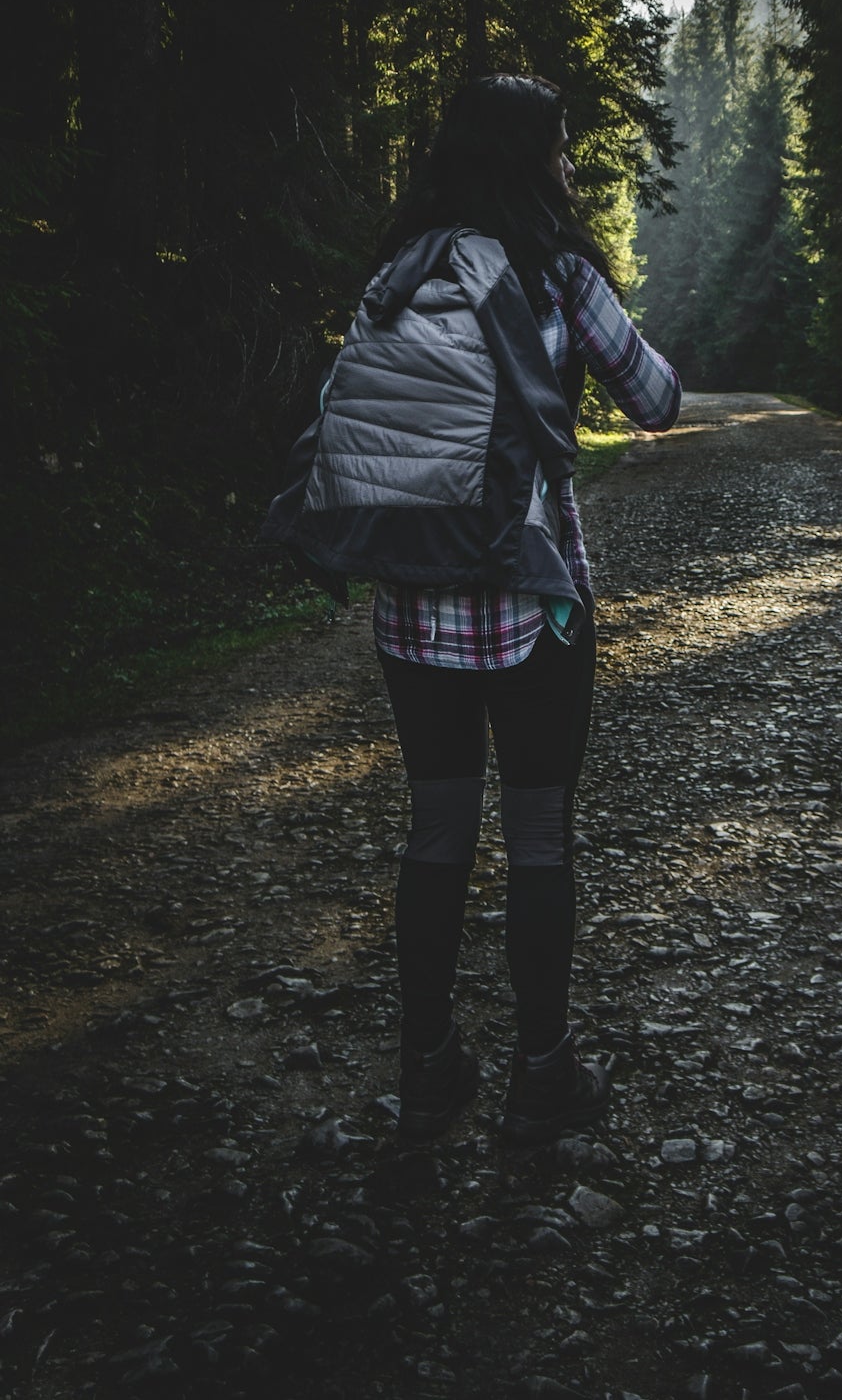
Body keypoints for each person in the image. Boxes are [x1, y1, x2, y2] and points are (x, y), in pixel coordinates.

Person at [268, 73, 680, 1142]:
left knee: (438, 832)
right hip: (532, 598)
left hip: (411, 613)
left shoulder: (397, 270)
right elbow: (658, 403)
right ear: (531, 157)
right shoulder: (553, 270)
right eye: (561, 148)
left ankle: (428, 1073)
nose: (569, 165)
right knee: (539, 838)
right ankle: (543, 1076)